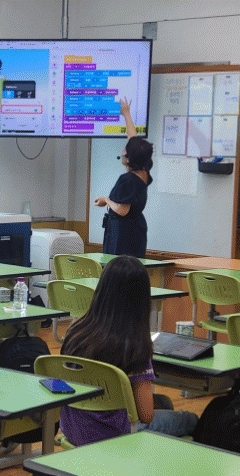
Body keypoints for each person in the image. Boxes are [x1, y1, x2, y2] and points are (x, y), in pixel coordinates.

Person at [60, 255, 198, 446]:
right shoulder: (133, 345)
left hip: (73, 428)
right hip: (113, 435)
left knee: (165, 403)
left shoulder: (75, 332)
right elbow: (146, 415)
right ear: (141, 299)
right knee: (190, 420)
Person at [94, 97, 154, 258]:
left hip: (122, 234)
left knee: (119, 268)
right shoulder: (144, 169)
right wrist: (126, 113)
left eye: (125, 151)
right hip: (136, 230)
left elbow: (122, 210)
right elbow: (133, 140)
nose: (123, 150)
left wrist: (106, 200)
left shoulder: (127, 180)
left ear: (128, 159)